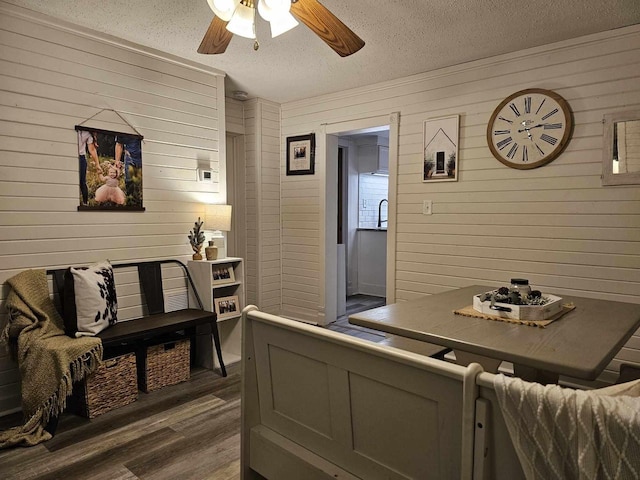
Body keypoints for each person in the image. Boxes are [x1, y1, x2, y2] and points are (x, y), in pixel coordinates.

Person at [77, 130, 100, 206]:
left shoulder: (88, 133)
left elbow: (92, 149)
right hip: (68, 156)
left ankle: (85, 203)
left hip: (81, 157)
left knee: (82, 181)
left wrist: (97, 164)